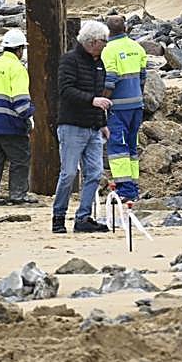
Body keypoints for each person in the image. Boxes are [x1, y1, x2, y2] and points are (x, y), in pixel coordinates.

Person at [51, 20, 112, 234]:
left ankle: (83, 217)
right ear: (93, 41)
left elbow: (99, 94)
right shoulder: (69, 60)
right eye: (104, 41)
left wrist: (102, 123)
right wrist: (92, 101)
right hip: (71, 126)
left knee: (94, 173)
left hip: (93, 127)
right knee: (68, 174)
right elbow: (66, 90)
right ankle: (58, 217)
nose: (106, 44)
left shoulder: (100, 63)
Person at [0, 28, 36, 205]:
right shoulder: (17, 68)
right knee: (20, 159)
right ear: (19, 49)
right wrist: (29, 117)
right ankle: (18, 195)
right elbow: (20, 101)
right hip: (11, 123)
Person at [102, 15, 147, 202]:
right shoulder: (137, 47)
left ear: (107, 30)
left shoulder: (108, 50)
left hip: (118, 108)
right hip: (136, 106)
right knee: (131, 146)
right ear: (126, 28)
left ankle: (125, 189)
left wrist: (102, 101)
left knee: (118, 148)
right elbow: (143, 77)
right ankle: (133, 185)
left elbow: (110, 80)